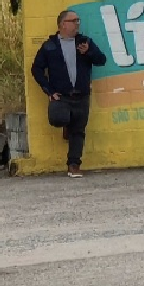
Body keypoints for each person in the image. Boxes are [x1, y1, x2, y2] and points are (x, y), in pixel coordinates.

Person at [30, 10, 107, 177]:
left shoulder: (84, 42)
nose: (77, 24)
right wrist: (49, 90)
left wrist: (89, 52)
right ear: (62, 24)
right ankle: (66, 124)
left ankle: (74, 165)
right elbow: (36, 69)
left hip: (81, 95)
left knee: (78, 131)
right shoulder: (50, 46)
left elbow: (101, 60)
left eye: (78, 20)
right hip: (61, 95)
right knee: (59, 118)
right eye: (73, 21)